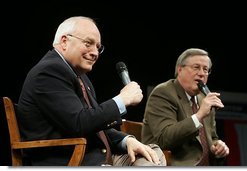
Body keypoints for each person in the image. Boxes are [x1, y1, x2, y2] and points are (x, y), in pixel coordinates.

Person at [17, 16, 166, 166]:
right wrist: (122, 99)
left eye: (98, 47)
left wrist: (126, 141)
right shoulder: (49, 72)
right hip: (73, 161)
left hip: (99, 156)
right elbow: (79, 123)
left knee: (153, 153)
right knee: (150, 163)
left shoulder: (81, 77)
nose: (95, 53)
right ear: (64, 41)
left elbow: (95, 126)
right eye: (88, 43)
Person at [141, 48, 230, 166]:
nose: (202, 73)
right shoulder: (163, 93)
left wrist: (218, 146)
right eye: (196, 67)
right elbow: (164, 138)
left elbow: (212, 138)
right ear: (180, 69)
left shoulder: (204, 99)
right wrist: (199, 116)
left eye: (205, 69)